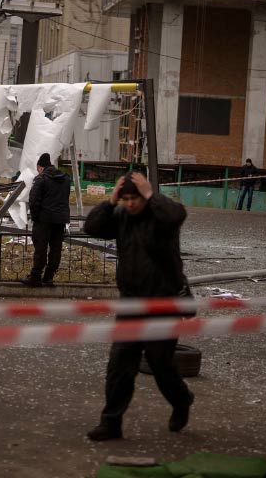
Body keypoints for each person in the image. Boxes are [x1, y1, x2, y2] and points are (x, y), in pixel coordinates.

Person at [83, 171, 194, 440]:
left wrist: (151, 195)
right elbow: (92, 228)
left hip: (162, 304)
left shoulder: (161, 216)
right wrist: (110, 203)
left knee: (160, 365)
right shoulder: (121, 216)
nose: (131, 204)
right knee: (119, 365)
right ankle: (111, 422)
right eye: (127, 199)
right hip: (131, 304)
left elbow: (176, 215)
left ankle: (182, 400)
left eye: (136, 199)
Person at [21, 153, 70, 287]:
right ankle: (48, 277)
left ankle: (35, 277)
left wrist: (35, 217)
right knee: (56, 249)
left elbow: (34, 200)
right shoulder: (65, 179)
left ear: (40, 167)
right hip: (60, 220)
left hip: (44, 220)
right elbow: (65, 199)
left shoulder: (41, 179)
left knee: (40, 248)